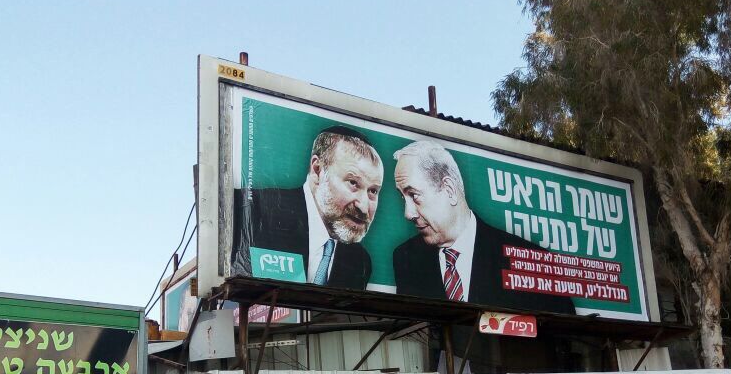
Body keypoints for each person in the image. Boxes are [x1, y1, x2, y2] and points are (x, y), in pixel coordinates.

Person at [391, 140, 575, 314]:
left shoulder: (533, 262)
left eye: (414, 195)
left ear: (449, 189)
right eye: (402, 197)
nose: (408, 213)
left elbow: (564, 331)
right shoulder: (406, 257)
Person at [233, 126, 383, 289]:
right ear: (317, 170)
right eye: (353, 183)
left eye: (373, 191)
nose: (363, 207)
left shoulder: (359, 261)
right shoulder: (253, 211)